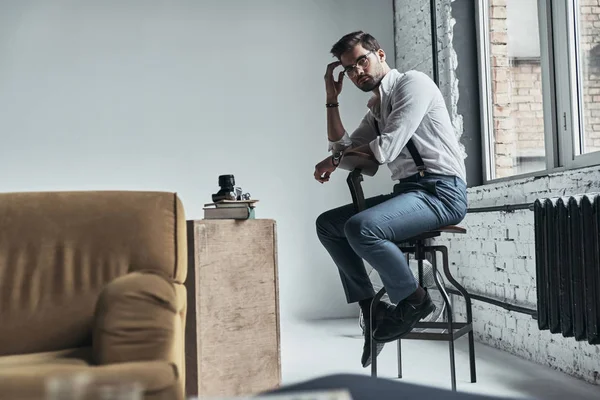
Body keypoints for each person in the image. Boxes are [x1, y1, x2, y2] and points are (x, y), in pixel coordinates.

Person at [314, 31, 468, 368]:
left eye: (362, 61)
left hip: (441, 192)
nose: (358, 72)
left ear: (379, 54)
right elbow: (343, 151)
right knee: (328, 225)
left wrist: (339, 159)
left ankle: (415, 301)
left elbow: (384, 149)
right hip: (410, 193)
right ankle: (372, 309)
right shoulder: (377, 106)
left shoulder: (413, 85)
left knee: (360, 228)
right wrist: (331, 98)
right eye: (349, 70)